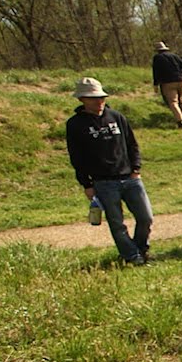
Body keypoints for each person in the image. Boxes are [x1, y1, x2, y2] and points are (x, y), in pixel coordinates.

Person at [66, 77, 154, 266]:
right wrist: (87, 184)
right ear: (82, 99)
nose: (99, 102)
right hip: (103, 182)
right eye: (93, 98)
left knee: (146, 217)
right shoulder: (75, 124)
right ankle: (132, 256)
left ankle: (141, 248)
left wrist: (136, 169)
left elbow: (132, 144)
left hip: (130, 177)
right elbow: (76, 157)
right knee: (117, 223)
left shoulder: (116, 117)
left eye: (101, 97)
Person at [151, 42, 182, 127]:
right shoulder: (174, 56)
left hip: (168, 83)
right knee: (180, 100)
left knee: (173, 102)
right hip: (181, 80)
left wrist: (156, 84)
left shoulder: (157, 58)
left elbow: (156, 71)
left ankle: (180, 120)